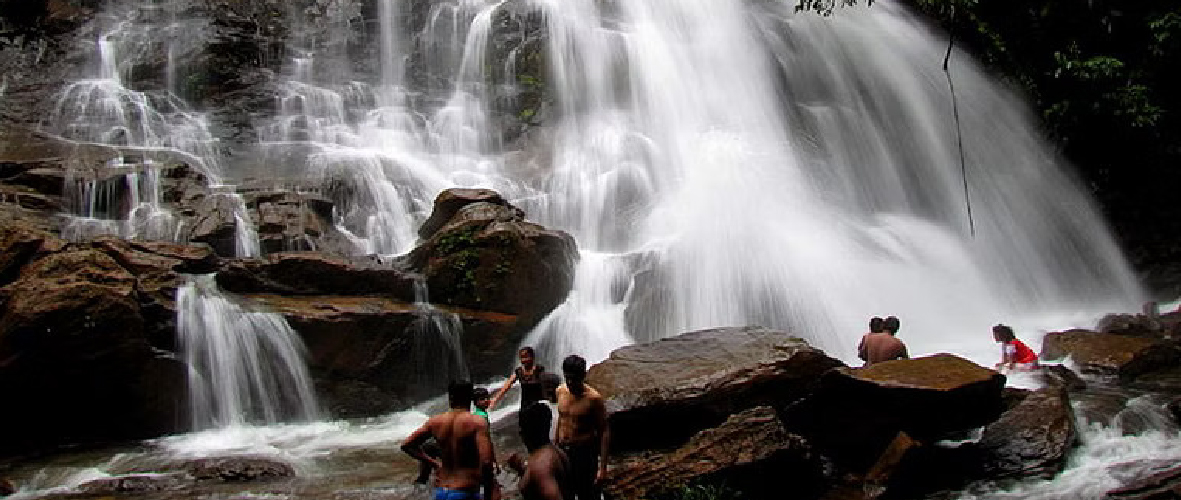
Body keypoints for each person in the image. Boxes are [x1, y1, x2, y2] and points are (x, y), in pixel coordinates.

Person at [402, 380, 498, 500]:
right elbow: (486, 462)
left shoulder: (435, 422)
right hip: (465, 491)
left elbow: (407, 445)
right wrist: (490, 492)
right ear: (470, 398)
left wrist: (435, 464)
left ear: (450, 397)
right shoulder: (477, 423)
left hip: (442, 492)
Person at [555, 355, 609, 500]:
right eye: (568, 378)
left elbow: (604, 431)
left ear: (583, 375)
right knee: (565, 492)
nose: (571, 383)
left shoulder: (593, 398)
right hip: (563, 451)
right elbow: (561, 418)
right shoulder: (560, 391)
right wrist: (554, 447)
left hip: (584, 453)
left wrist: (602, 468)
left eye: (575, 379)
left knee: (588, 494)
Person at [517, 402, 571, 500]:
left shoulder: (541, 465)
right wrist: (522, 469)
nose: (520, 433)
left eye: (522, 428)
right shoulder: (555, 451)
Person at [490, 347, 547, 411]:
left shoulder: (539, 370)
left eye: (526, 357)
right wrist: (495, 399)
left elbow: (547, 384)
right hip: (525, 406)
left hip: (539, 406)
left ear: (532, 357)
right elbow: (507, 386)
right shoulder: (519, 371)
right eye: (522, 357)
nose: (523, 360)